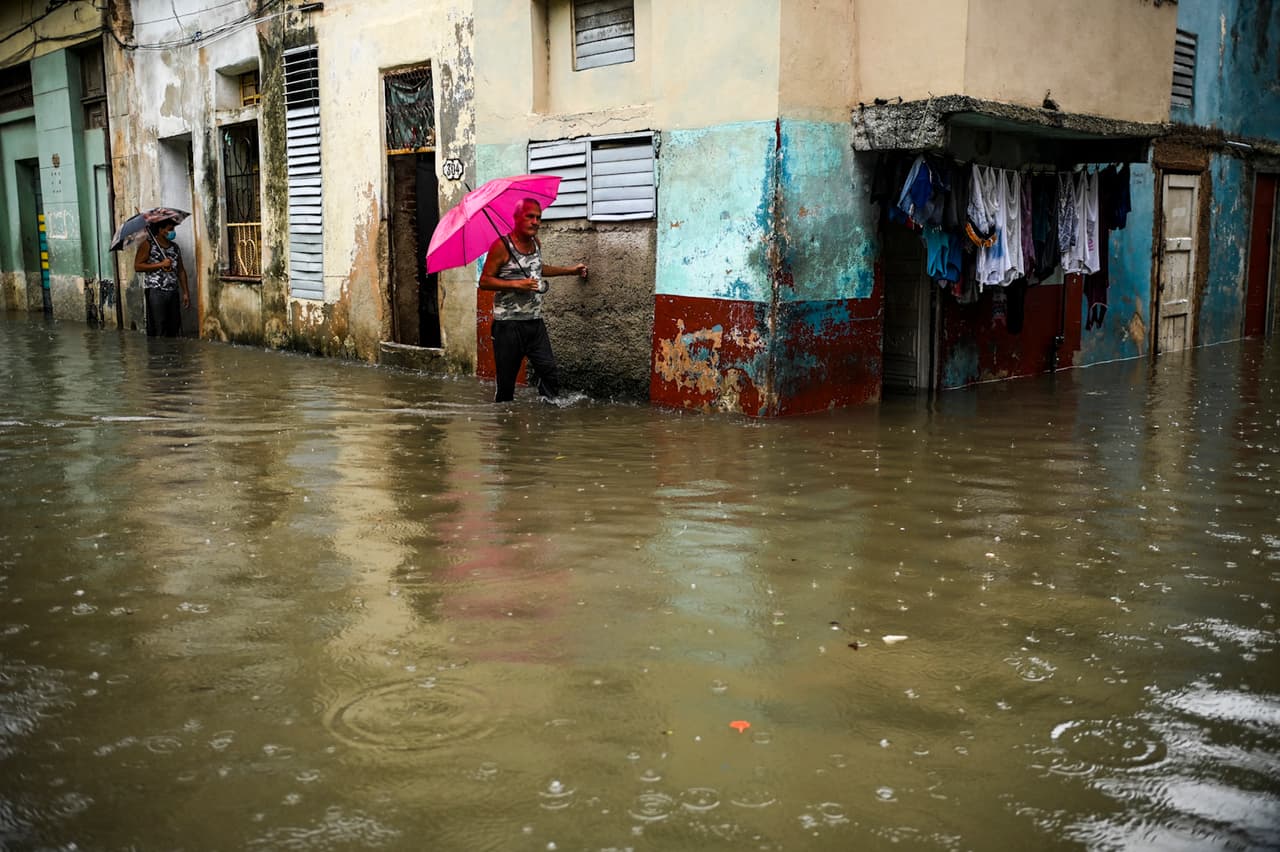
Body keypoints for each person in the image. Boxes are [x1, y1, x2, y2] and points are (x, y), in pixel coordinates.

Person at [479, 198, 588, 402]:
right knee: (506, 386)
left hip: (534, 323)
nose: (536, 222)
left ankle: (545, 422)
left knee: (549, 373)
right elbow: (484, 281)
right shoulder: (502, 246)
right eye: (530, 216)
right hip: (508, 325)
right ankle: (506, 428)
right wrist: (516, 284)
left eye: (539, 217)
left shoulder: (536, 243)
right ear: (517, 218)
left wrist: (570, 271)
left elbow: (538, 269)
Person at [134, 219, 190, 337]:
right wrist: (160, 265)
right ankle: (159, 352)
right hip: (156, 291)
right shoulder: (148, 245)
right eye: (169, 229)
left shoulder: (175, 247)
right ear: (160, 230)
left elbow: (181, 270)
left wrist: (185, 292)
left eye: (173, 229)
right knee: (159, 326)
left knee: (174, 326)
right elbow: (138, 266)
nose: (172, 232)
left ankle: (172, 353)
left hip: (172, 290)